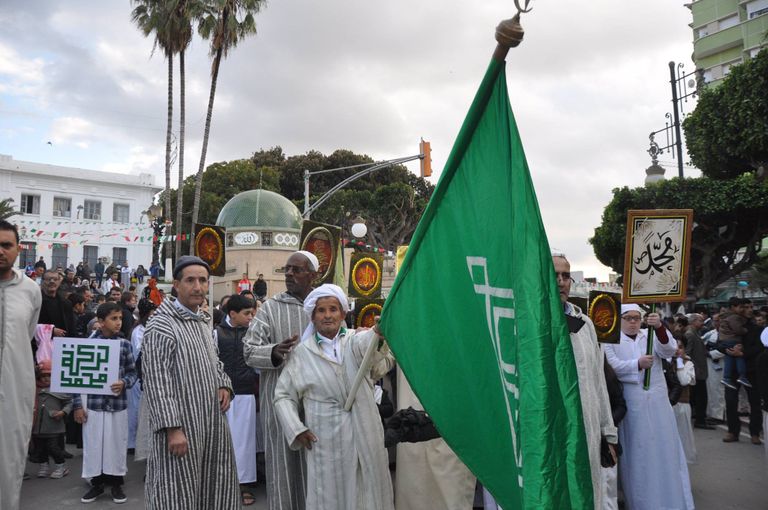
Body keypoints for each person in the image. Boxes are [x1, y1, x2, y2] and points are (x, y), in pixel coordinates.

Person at [274, 284, 395, 510]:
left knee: (369, 492)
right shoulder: (302, 353)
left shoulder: (353, 340)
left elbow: (367, 346)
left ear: (343, 314)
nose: (327, 315)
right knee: (330, 496)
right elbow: (283, 396)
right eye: (321, 310)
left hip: (365, 430)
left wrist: (376, 333)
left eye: (333, 309)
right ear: (313, 316)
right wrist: (296, 428)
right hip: (326, 438)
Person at [141, 255, 240, 509]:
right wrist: (172, 428)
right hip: (180, 428)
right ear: (176, 285)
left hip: (209, 422)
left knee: (211, 488)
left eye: (203, 281)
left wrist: (223, 383)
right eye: (190, 280)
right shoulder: (161, 325)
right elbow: (156, 382)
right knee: (175, 491)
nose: (198, 287)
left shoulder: (204, 321)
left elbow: (214, 361)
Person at [243, 250, 320, 510]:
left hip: (320, 406)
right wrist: (274, 352)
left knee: (319, 474)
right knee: (282, 474)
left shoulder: (325, 306)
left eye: (297, 270)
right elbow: (249, 350)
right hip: (279, 406)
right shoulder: (271, 309)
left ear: (313, 275)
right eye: (287, 269)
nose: (289, 274)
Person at [604, 304, 694, 510]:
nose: (633, 322)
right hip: (632, 402)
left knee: (665, 449)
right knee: (639, 454)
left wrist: (660, 327)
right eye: (628, 318)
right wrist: (637, 364)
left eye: (637, 318)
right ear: (621, 319)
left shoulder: (650, 334)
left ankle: (674, 500)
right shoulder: (610, 338)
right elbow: (612, 365)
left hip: (658, 402)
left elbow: (669, 349)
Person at [552, 253, 618, 509]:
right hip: (551, 432)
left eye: (565, 276)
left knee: (584, 494)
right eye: (554, 274)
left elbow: (597, 380)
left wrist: (608, 433)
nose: (561, 281)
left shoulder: (586, 324)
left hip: (586, 430)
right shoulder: (529, 323)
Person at [73, 301, 137, 504]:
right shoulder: (88, 345)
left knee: (116, 444)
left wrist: (124, 382)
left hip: (117, 405)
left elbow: (133, 372)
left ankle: (116, 483)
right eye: (113, 318)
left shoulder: (125, 344)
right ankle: (97, 484)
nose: (118, 322)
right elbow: (75, 378)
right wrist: (77, 405)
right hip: (94, 405)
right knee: (95, 444)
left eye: (120, 318)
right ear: (100, 322)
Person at [0, 220, 43, 510]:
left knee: (7, 466)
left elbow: (26, 335)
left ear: (18, 250)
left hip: (13, 396)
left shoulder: (30, 290)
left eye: (6, 245)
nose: (0, 251)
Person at [215, 294, 259, 506]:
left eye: (252, 313)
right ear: (232, 314)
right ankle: (221, 483)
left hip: (245, 393)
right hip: (221, 395)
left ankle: (244, 484)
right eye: (246, 313)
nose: (251, 317)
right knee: (222, 440)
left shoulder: (254, 334)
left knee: (244, 441)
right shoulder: (216, 334)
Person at [722, 299, 764, 445]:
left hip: (751, 370)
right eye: (745, 307)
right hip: (733, 369)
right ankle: (733, 431)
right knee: (731, 400)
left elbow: (760, 348)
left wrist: (742, 353)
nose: (749, 309)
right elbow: (721, 342)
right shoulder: (731, 323)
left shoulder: (757, 328)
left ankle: (755, 432)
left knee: (755, 402)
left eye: (751, 307)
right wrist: (727, 350)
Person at [31, 359, 72, 479]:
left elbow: (69, 402)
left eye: (48, 375)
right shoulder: (35, 388)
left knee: (53, 448)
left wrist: (63, 412)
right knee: (40, 448)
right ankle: (44, 466)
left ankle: (61, 466)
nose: (45, 379)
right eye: (43, 376)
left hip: (53, 427)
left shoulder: (59, 389)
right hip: (37, 427)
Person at [127, 298, 156, 453]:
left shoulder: (151, 329)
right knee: (136, 410)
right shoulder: (138, 332)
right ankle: (132, 443)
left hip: (146, 375)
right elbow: (139, 352)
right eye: (152, 314)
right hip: (139, 375)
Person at [684, 313, 712, 429]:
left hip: (699, 371)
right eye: (700, 321)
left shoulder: (695, 333)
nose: (702, 323)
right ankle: (700, 420)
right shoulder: (690, 334)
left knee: (700, 397)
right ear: (693, 321)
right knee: (700, 397)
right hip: (696, 371)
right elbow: (687, 353)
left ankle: (701, 418)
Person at [673, 340, 697, 464]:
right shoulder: (665, 363)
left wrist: (679, 363)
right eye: (675, 346)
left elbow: (683, 381)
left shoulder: (688, 364)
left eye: (680, 347)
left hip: (682, 405)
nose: (677, 349)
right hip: (668, 406)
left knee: (683, 436)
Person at [718, 297, 750, 389]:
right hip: (733, 340)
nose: (742, 309)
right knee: (739, 356)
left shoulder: (725, 316)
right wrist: (745, 330)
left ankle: (726, 377)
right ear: (733, 307)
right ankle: (742, 376)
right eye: (741, 307)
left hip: (725, 340)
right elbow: (738, 329)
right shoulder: (734, 317)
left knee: (729, 359)